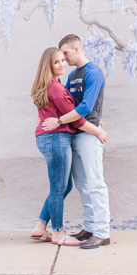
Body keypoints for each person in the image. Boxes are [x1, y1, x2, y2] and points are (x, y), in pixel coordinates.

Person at [30, 47, 108, 246]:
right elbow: (75, 120)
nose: (62, 64)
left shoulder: (54, 84)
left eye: (63, 60)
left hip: (52, 138)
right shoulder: (55, 88)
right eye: (56, 62)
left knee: (64, 186)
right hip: (57, 139)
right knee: (59, 187)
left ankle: (40, 226)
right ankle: (58, 232)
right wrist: (97, 130)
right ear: (48, 66)